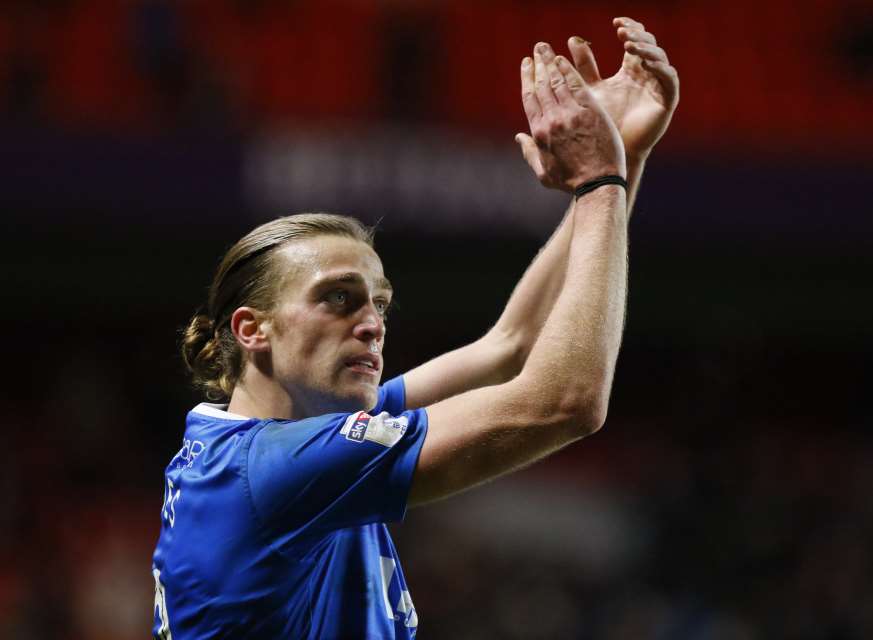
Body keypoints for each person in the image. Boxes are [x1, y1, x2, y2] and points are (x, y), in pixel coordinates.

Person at [152, 16, 678, 639]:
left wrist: (621, 159)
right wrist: (598, 183)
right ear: (251, 329)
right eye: (339, 298)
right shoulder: (273, 468)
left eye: (379, 303)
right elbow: (564, 402)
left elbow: (513, 347)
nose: (371, 324)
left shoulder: (289, 438)